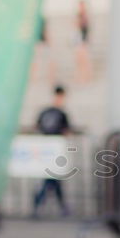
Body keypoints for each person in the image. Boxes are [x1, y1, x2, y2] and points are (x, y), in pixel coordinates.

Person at [32, 85, 73, 218]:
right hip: (53, 151)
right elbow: (66, 131)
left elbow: (37, 126)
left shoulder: (46, 111)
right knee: (51, 180)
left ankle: (40, 206)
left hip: (46, 150)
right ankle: (42, 206)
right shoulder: (60, 113)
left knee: (51, 180)